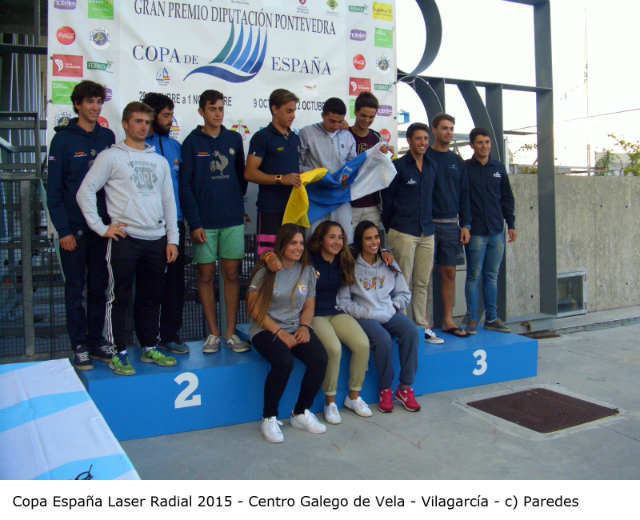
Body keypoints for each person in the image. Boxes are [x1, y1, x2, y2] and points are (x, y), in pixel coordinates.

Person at [76, 101, 179, 376]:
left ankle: (149, 347)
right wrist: (101, 227)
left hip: (156, 239)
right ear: (125, 123)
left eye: (147, 122)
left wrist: (173, 239)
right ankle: (116, 351)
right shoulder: (111, 156)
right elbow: (84, 192)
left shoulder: (159, 160)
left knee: (151, 297)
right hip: (125, 238)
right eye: (137, 121)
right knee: (118, 297)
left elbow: (169, 201)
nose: (143, 127)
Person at [46, 80, 115, 370]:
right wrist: (63, 231)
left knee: (100, 287)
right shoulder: (62, 140)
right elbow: (54, 191)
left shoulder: (108, 136)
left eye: (98, 102)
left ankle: (96, 340)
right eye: (89, 102)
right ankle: (79, 346)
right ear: (77, 104)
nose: (95, 107)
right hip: (73, 229)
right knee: (75, 289)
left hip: (101, 227)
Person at [180, 90, 250, 354]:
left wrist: (232, 203)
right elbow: (185, 187)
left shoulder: (233, 138)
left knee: (232, 275)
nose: (217, 113)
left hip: (231, 219)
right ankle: (213, 333)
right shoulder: (191, 142)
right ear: (201, 111)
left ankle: (231, 333)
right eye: (212, 109)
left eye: (221, 108)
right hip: (204, 223)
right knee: (205, 275)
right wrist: (195, 222)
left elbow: (241, 179)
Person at [247, 224, 328, 443]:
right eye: (293, 242)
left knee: (319, 358)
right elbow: (254, 309)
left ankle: (300, 412)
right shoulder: (267, 270)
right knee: (283, 362)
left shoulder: (308, 271)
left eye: (301, 243)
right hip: (266, 328)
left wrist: (304, 326)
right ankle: (269, 417)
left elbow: (309, 305)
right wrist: (279, 332)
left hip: (295, 327)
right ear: (282, 245)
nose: (298, 247)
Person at [337, 220, 421, 413]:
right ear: (360, 241)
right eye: (368, 238)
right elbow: (343, 301)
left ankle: (405, 388)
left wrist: (393, 305)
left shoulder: (388, 262)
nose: (373, 242)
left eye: (376, 237)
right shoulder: (351, 264)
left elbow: (404, 293)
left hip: (388, 311)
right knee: (383, 340)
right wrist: (366, 313)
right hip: (364, 315)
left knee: (411, 332)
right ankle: (385, 389)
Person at [382, 122, 443, 345]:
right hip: (403, 231)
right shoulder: (398, 166)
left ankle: (420, 326)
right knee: (402, 282)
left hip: (427, 231)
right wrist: (391, 228)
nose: (423, 143)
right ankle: (403, 327)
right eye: (418, 139)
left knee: (422, 282)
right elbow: (387, 201)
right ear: (409, 141)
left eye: (426, 139)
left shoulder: (432, 166)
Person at [306, 221, 372, 423]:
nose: (337, 241)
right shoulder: (309, 261)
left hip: (336, 311)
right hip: (314, 314)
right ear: (321, 239)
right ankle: (330, 401)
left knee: (362, 344)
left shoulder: (344, 259)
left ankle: (353, 397)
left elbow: (369, 249)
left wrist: (385, 251)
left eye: (340, 237)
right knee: (333, 349)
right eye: (332, 237)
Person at [142, 92, 188, 355]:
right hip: (147, 226)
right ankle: (147, 339)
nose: (171, 121)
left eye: (171, 115)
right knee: (149, 285)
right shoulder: (139, 144)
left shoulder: (175, 147)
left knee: (175, 284)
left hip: (176, 224)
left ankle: (171, 334)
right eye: (166, 115)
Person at [464, 128, 516, 333]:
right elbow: (463, 200)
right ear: (472, 145)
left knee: (491, 276)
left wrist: (510, 224)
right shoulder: (465, 168)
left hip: (497, 231)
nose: (484, 146)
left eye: (486, 142)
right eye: (479, 142)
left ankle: (492, 318)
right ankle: (471, 319)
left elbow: (507, 197)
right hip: (475, 231)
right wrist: (465, 225)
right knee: (473, 276)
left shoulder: (498, 167)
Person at [426, 113, 471, 337]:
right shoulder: (424, 156)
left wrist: (466, 225)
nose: (448, 132)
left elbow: (465, 196)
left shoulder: (457, 162)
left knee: (449, 274)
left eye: (451, 129)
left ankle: (446, 320)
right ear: (434, 130)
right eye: (444, 128)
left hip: (451, 226)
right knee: (424, 275)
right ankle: (422, 322)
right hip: (426, 225)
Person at [244, 89, 301, 254]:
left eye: (294, 111)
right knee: (268, 258)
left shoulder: (294, 138)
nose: (293, 115)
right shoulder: (262, 137)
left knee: (292, 256)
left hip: (293, 209)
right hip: (270, 209)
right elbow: (249, 173)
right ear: (274, 109)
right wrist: (281, 179)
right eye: (288, 111)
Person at [298, 97, 357, 241]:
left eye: (340, 121)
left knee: (344, 238)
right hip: (315, 196)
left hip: (340, 196)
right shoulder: (307, 133)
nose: (336, 125)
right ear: (323, 115)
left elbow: (353, 165)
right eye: (332, 121)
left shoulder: (348, 136)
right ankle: (312, 264)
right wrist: (317, 175)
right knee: (314, 238)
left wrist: (347, 177)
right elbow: (296, 164)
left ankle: (343, 264)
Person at [349, 92, 388, 230]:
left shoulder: (377, 138)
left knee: (369, 246)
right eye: (363, 115)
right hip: (348, 203)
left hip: (372, 204)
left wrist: (387, 156)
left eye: (371, 117)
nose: (367, 120)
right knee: (347, 246)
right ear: (355, 112)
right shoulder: (344, 135)